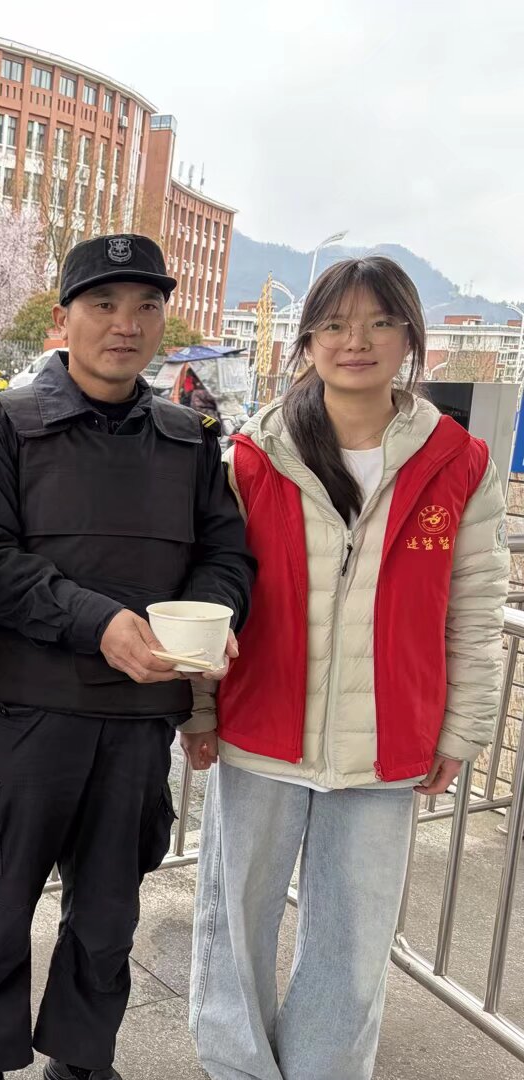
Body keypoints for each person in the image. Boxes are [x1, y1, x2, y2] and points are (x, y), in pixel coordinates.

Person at [182, 256, 508, 1080]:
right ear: (308, 341)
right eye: (333, 324)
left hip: (385, 743)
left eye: (378, 323)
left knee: (353, 943)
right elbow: (214, 592)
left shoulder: (459, 462)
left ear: (410, 337)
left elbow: (475, 610)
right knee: (232, 926)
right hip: (260, 729)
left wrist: (462, 729)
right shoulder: (255, 455)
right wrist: (200, 708)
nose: (354, 341)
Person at [0, 233, 255, 1080]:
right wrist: (98, 622)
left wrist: (213, 614)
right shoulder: (3, 426)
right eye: (105, 305)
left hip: (135, 722)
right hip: (24, 714)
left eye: (146, 307)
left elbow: (227, 553)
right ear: (64, 318)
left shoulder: (190, 438)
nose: (127, 324)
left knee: (109, 917)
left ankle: (83, 1063)